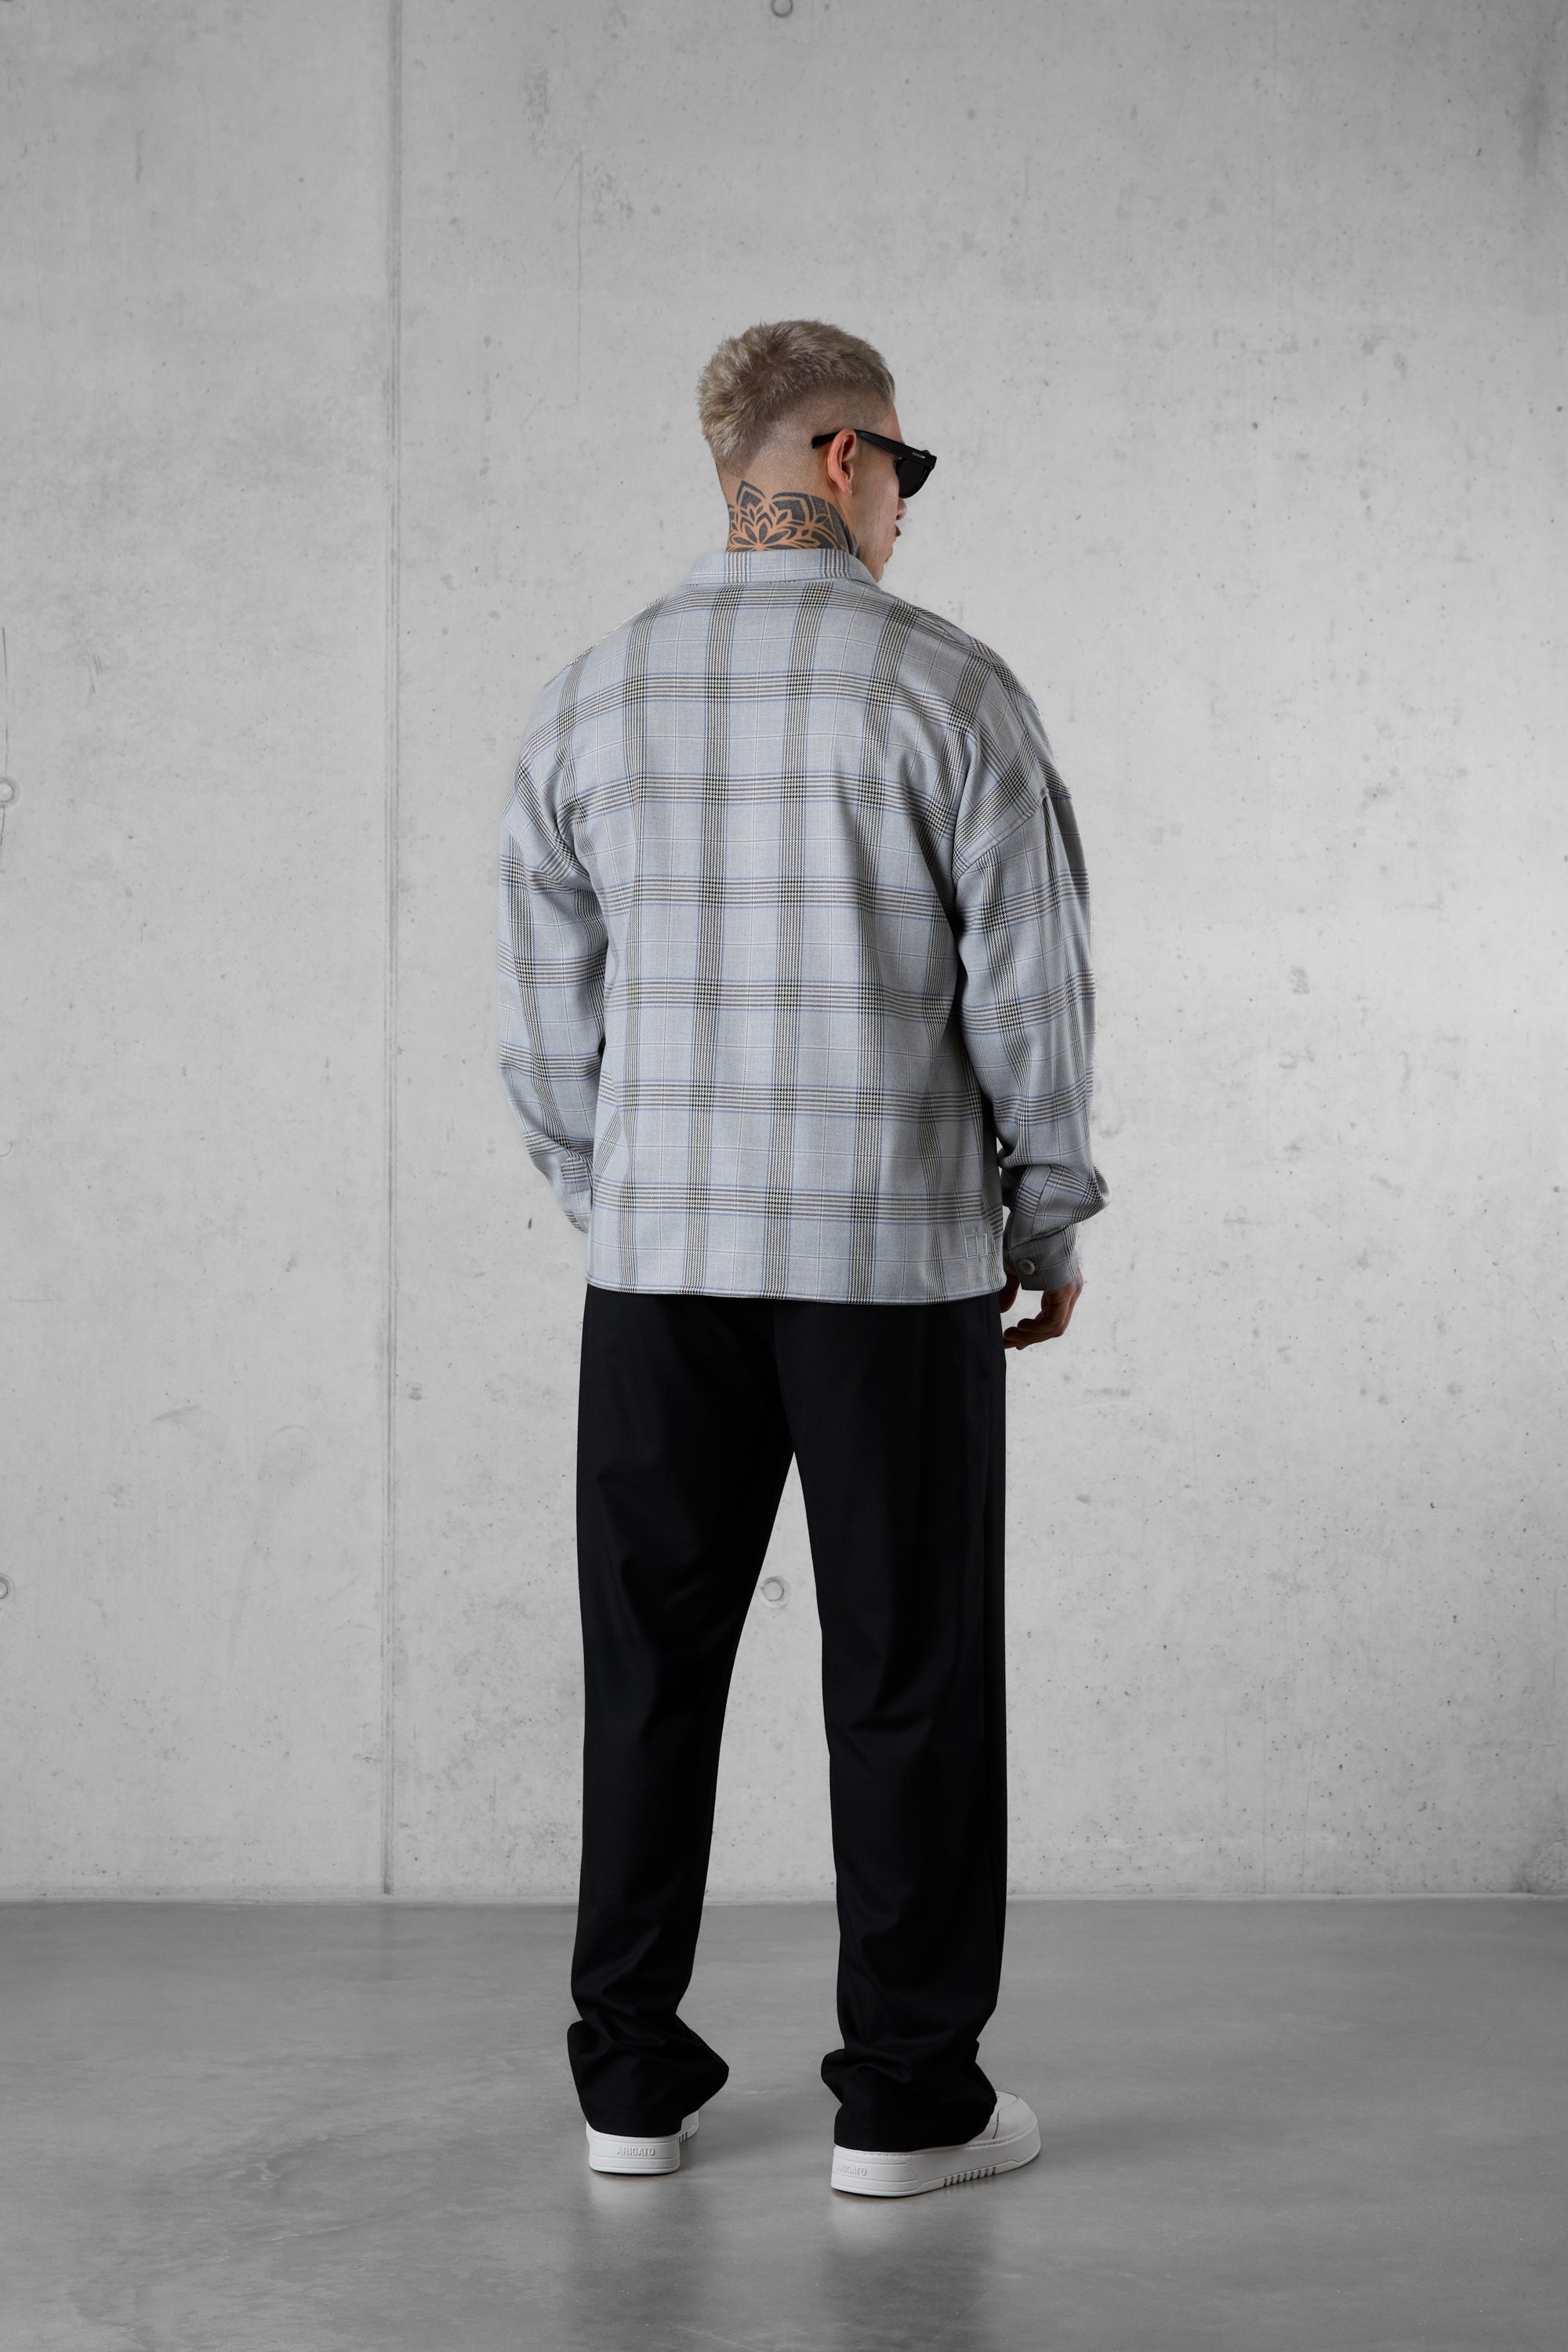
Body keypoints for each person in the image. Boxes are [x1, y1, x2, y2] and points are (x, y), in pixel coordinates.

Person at [497, 318, 1108, 2198]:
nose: (908, 506)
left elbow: (544, 1035)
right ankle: (906, 2108)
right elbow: (1030, 992)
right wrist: (1046, 1208)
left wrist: (626, 1199)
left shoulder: (591, 696)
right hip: (887, 1265)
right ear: (843, 458)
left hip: (659, 1269)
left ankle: (628, 2087)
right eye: (904, 469)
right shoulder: (946, 688)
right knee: (906, 1672)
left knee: (647, 1670)